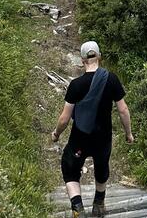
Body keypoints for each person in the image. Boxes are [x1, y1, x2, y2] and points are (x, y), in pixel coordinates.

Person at [51, 40, 133, 218]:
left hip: (80, 137)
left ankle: (78, 208)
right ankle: (98, 203)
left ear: (82, 60)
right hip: (103, 137)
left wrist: (56, 133)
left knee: (70, 168)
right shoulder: (111, 79)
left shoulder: (76, 85)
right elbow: (123, 110)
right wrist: (129, 133)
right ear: (99, 57)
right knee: (102, 166)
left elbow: (65, 118)